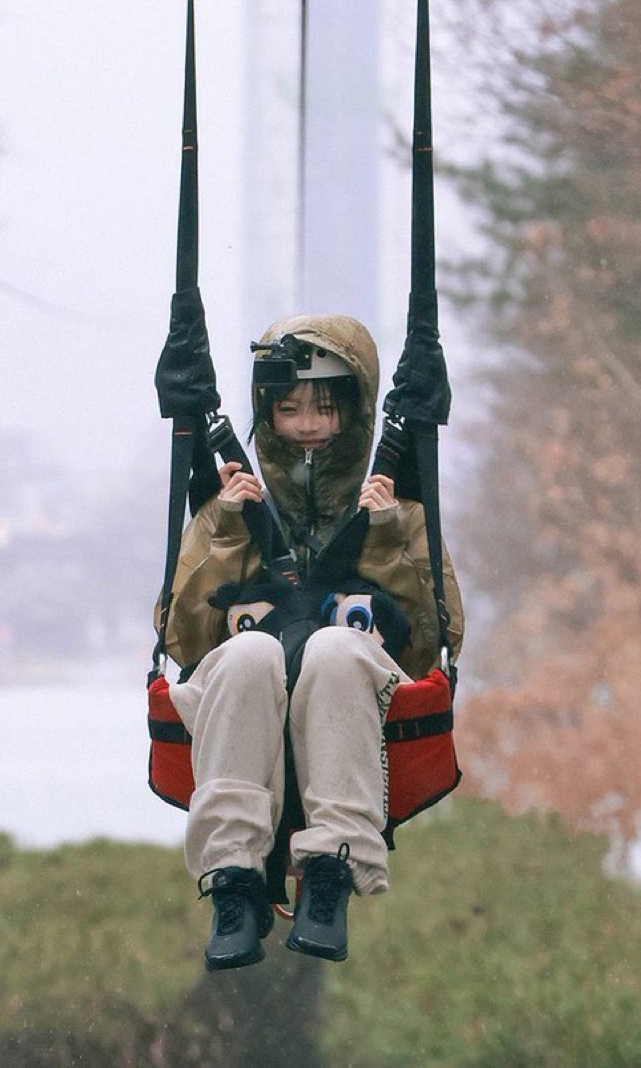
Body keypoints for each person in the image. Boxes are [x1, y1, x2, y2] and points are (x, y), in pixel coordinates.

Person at [157, 313, 464, 970]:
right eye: (289, 408)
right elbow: (186, 635)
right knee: (248, 653)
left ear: (352, 413)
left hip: (352, 699)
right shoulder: (229, 510)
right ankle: (232, 878)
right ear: (267, 414)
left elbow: (430, 641)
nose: (305, 425)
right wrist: (229, 533)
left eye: (324, 408)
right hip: (246, 693)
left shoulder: (399, 513)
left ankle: (333, 870)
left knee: (332, 649)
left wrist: (382, 540)